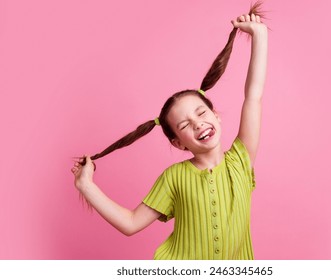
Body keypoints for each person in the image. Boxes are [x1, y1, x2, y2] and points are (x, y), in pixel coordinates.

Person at [71, 2, 268, 260]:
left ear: (216, 117)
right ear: (179, 144)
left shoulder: (241, 161)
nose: (198, 124)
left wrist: (259, 36)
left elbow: (253, 96)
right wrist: (85, 185)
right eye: (185, 125)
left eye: (201, 113)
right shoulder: (174, 177)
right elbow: (131, 223)